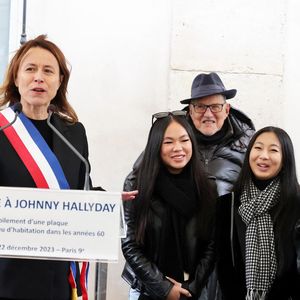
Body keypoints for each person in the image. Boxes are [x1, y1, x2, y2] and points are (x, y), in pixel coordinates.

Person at [0, 35, 136, 300]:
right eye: (30, 69)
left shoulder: (73, 133)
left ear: (59, 81)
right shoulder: (2, 129)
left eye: (48, 71)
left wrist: (105, 203)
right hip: (8, 280)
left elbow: (80, 189)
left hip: (60, 279)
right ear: (16, 78)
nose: (39, 77)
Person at [121, 111, 216, 300]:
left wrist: (192, 286)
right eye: (168, 142)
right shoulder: (137, 184)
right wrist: (164, 289)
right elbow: (130, 244)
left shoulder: (207, 185)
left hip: (192, 292)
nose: (178, 148)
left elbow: (211, 244)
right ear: (156, 146)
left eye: (184, 140)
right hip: (147, 289)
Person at [216, 126, 300, 300]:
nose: (264, 156)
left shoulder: (296, 204)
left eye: (273, 150)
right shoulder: (227, 204)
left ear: (286, 159)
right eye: (258, 148)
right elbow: (223, 266)